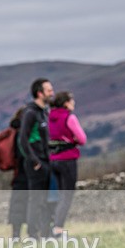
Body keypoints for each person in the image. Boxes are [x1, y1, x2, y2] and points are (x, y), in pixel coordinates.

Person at [18, 78, 54, 238]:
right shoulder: (30, 113)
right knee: (36, 199)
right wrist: (35, 161)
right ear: (40, 93)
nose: (52, 93)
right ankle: (33, 234)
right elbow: (23, 140)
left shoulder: (44, 112)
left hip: (46, 161)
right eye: (49, 90)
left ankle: (45, 233)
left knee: (46, 200)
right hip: (35, 164)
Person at [48, 91, 87, 236]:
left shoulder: (50, 117)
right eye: (72, 100)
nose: (74, 103)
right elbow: (82, 139)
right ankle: (58, 228)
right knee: (67, 195)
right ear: (66, 103)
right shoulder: (69, 117)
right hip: (68, 159)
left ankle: (52, 224)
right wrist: (73, 140)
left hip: (53, 159)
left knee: (59, 194)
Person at [6, 106, 27, 239]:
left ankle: (15, 235)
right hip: (26, 173)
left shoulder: (15, 132)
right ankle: (30, 234)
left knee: (17, 205)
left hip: (18, 174)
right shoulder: (23, 133)